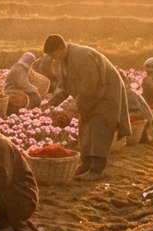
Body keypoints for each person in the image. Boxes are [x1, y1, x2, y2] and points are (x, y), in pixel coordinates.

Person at [42, 34, 131, 181]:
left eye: (53, 55)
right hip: (92, 94)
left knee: (99, 126)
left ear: (59, 49)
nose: (53, 59)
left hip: (105, 91)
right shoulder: (65, 59)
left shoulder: (82, 57)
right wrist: (51, 102)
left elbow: (91, 86)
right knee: (85, 127)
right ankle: (86, 164)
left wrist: (81, 106)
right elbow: (65, 87)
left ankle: (96, 169)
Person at [123, 74, 153, 145]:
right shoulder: (126, 91)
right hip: (144, 117)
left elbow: (133, 110)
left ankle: (141, 135)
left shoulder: (128, 93)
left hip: (143, 118)